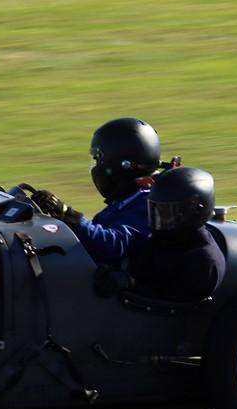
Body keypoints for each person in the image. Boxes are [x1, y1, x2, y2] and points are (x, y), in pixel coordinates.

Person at [29, 117, 162, 267]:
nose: (95, 166)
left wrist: (67, 214)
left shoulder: (149, 202)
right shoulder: (130, 197)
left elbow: (112, 246)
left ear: (122, 164)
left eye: (98, 159)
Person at [116, 166, 225, 301]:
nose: (160, 218)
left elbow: (174, 301)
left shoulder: (204, 261)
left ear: (193, 211)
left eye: (167, 212)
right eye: (156, 210)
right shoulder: (160, 242)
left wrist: (130, 284)